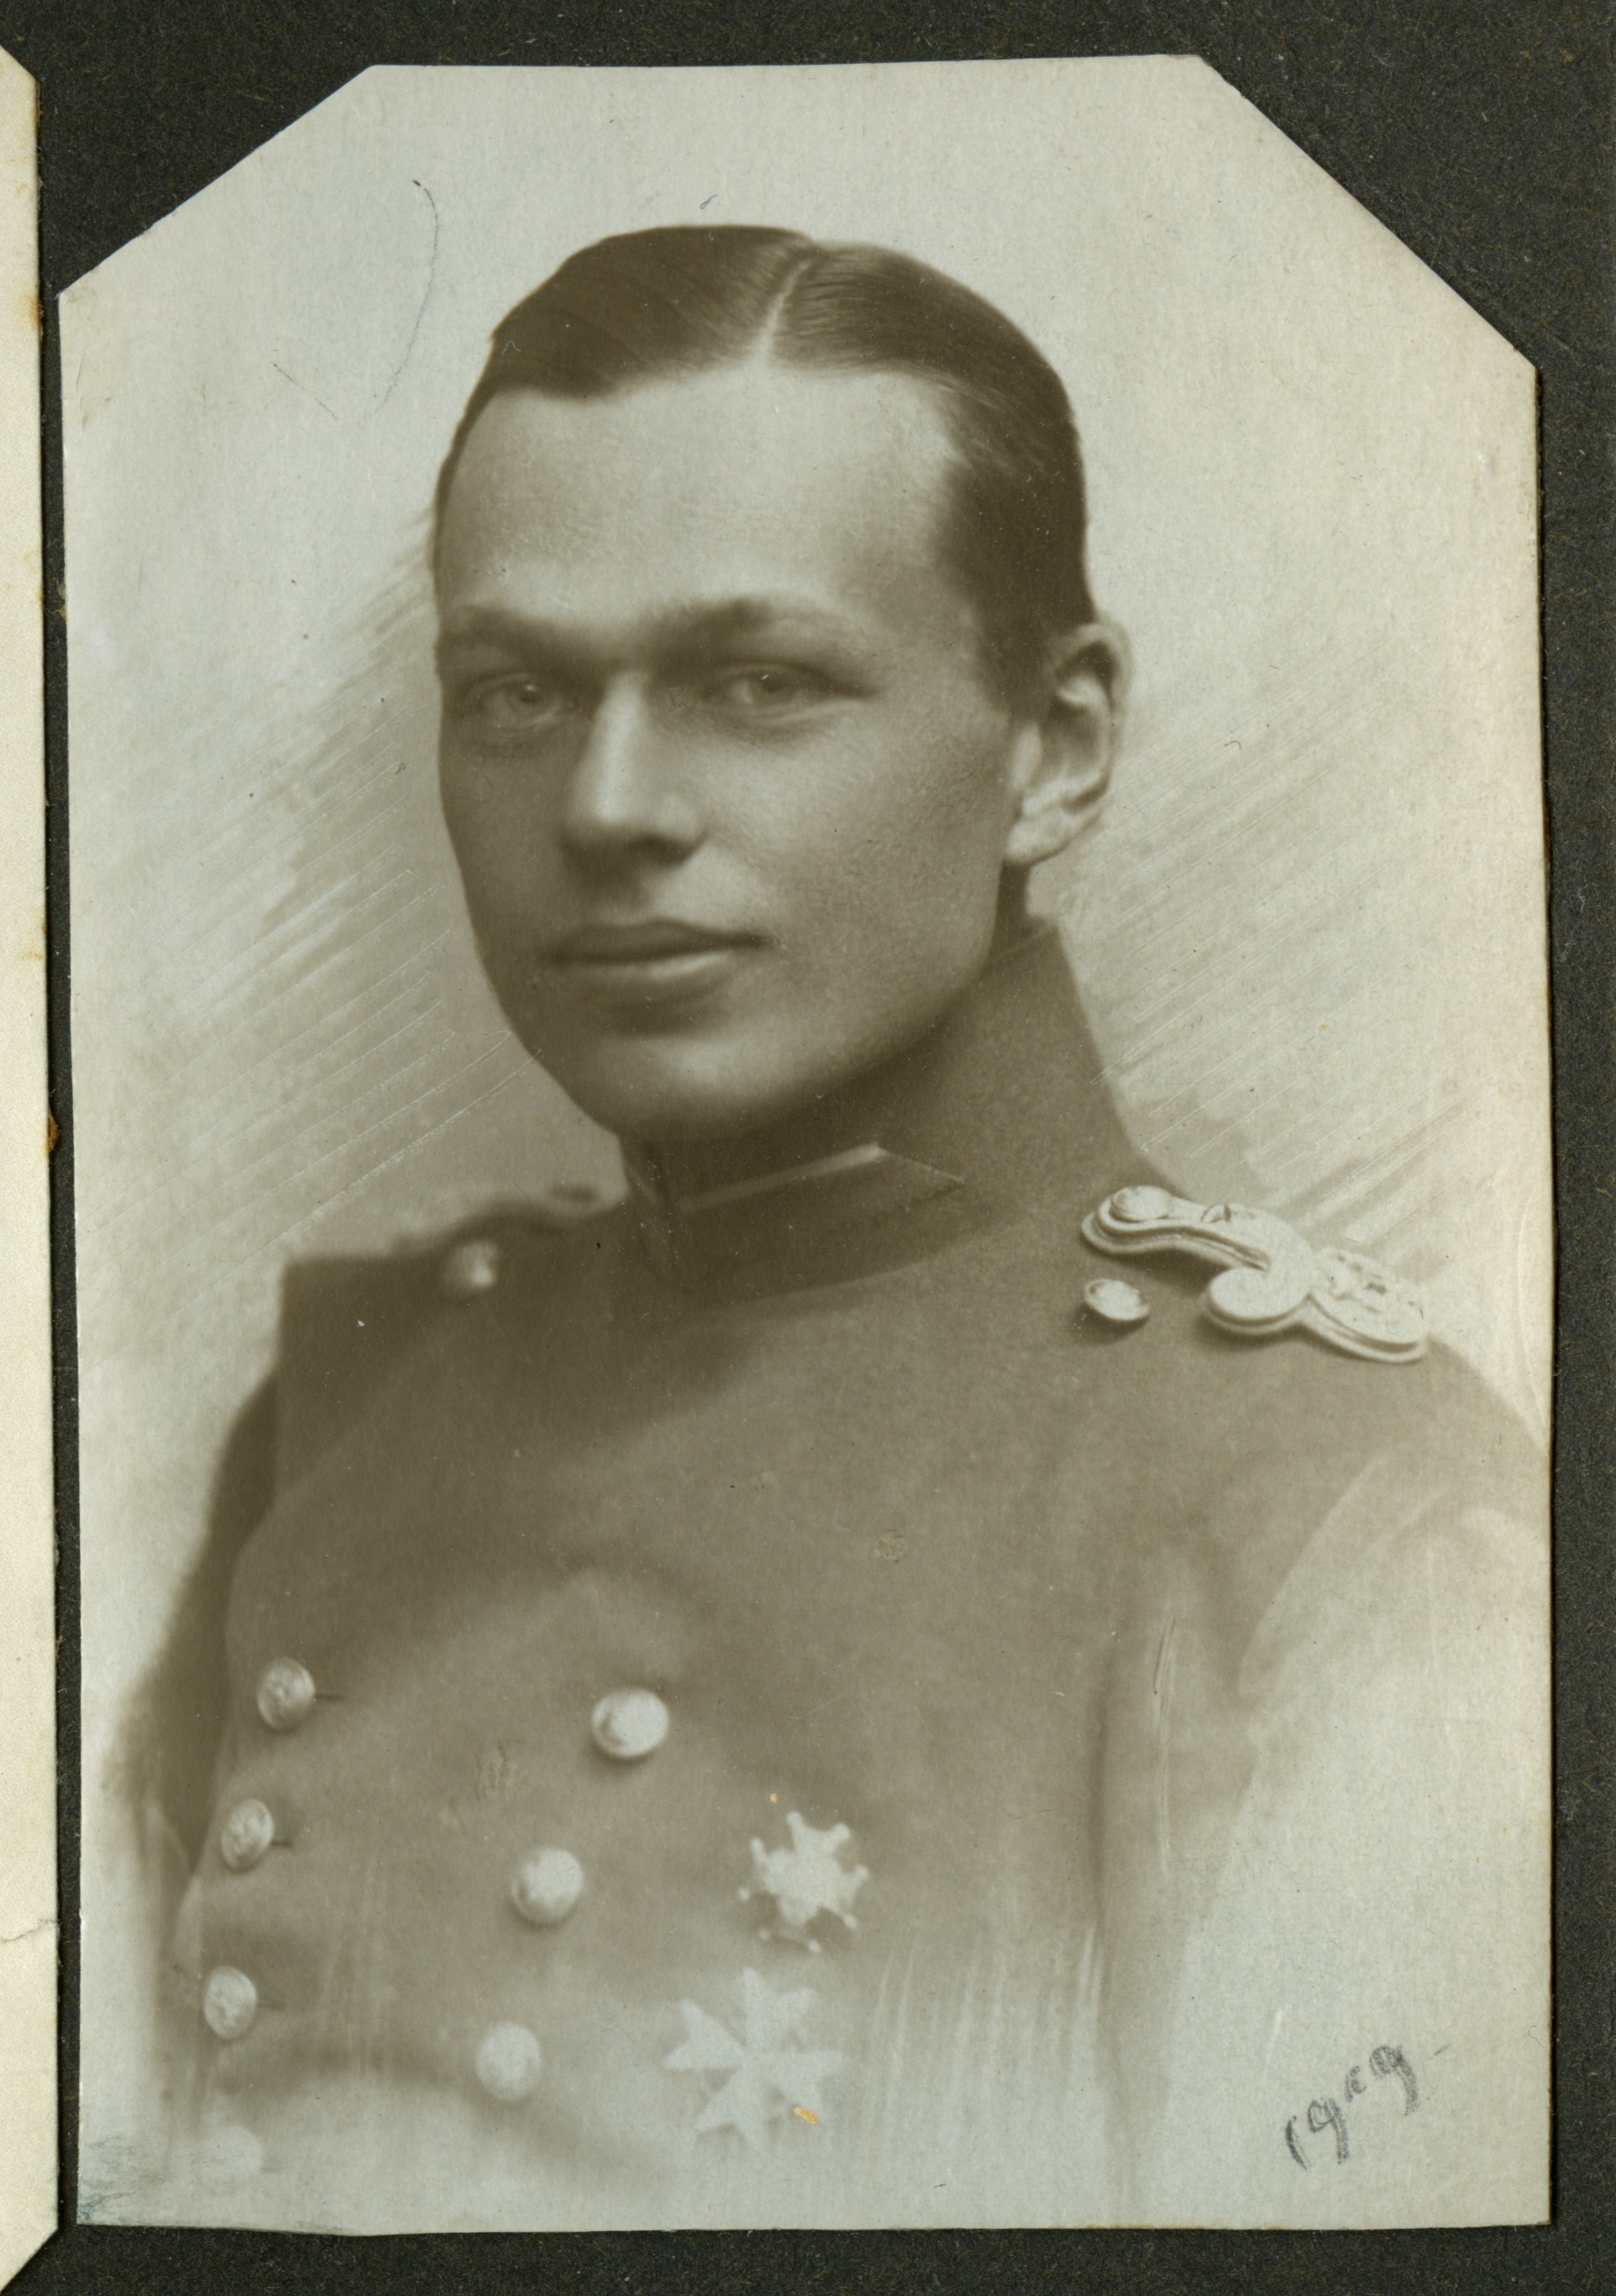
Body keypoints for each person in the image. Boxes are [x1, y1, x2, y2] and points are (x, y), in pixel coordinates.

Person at [128, 226, 1548, 2230]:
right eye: (515, 691)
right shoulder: (345, 1409)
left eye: (759, 683)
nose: (608, 805)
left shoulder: (1341, 1520)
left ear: (1054, 748)